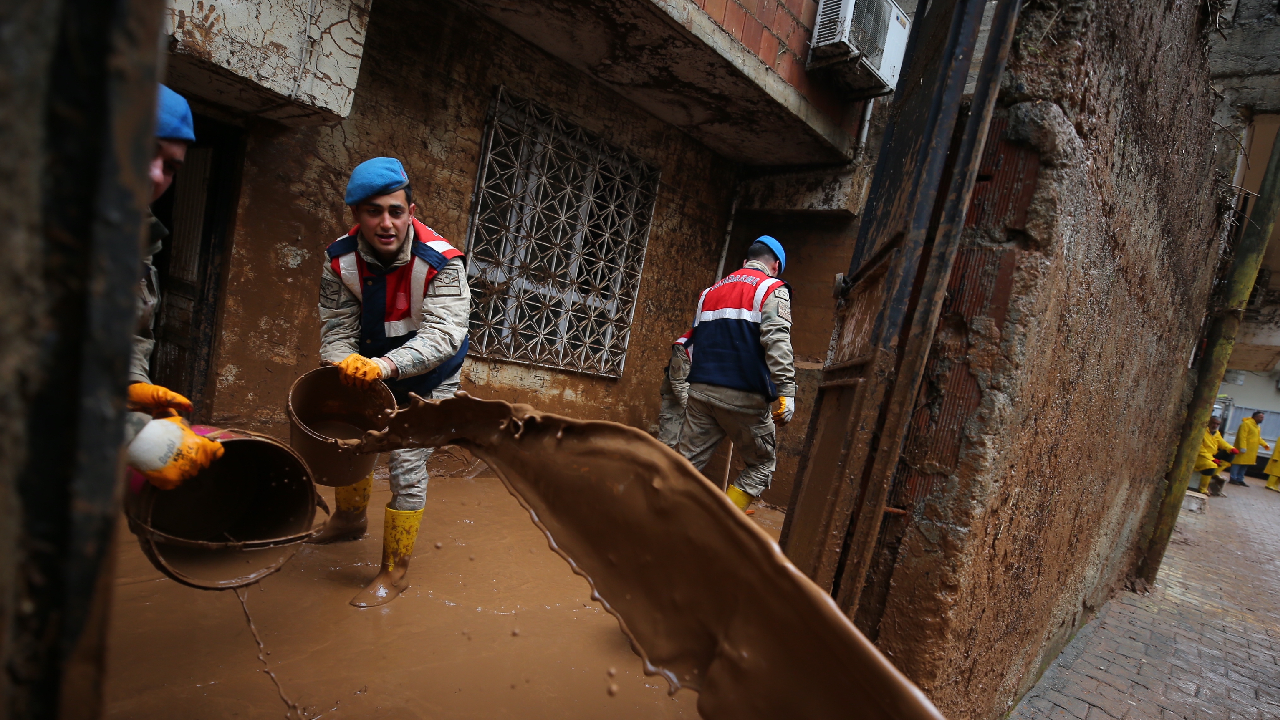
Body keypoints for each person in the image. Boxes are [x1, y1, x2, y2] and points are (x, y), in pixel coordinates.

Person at [312, 157, 471, 608]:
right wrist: (345, 363)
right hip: (370, 363)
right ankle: (348, 521)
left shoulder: (442, 262)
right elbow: (336, 330)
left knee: (405, 461)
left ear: (411, 210)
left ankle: (395, 570)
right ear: (356, 216)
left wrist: (383, 368)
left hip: (429, 374)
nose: (386, 223)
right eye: (373, 211)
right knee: (353, 438)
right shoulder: (339, 262)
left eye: (396, 211)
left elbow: (444, 336)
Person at [122, 85, 224, 490]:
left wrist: (130, 385)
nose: (155, 175)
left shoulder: (137, 238)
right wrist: (132, 432)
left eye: (171, 167)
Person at [677, 236, 796, 513]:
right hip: (743, 397)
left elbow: (695, 340)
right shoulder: (772, 288)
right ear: (775, 266)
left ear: (745, 262)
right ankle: (722, 526)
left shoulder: (709, 292)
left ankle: (657, 522)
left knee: (683, 465)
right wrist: (786, 392)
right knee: (762, 464)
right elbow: (777, 342)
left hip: (700, 393)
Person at [656, 330, 692, 448]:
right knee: (666, 446)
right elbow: (678, 383)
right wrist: (695, 412)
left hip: (702, 399)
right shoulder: (684, 344)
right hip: (676, 400)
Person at [1195, 416, 1239, 497]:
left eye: (1217, 424)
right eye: (1213, 423)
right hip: (1201, 457)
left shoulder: (1216, 433)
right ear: (1209, 422)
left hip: (1211, 455)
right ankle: (1202, 489)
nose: (1215, 425)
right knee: (1211, 465)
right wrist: (1212, 459)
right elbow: (1200, 449)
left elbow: (1222, 443)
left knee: (1230, 455)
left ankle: (1215, 473)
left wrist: (1231, 449)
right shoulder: (1202, 431)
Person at [1229, 411, 1269, 487]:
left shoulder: (1257, 427)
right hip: (1243, 449)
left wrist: (1264, 444)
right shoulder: (1246, 424)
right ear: (1255, 417)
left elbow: (1257, 438)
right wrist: (1242, 447)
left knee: (1245, 464)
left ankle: (1240, 479)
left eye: (1262, 417)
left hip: (1250, 450)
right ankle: (1233, 478)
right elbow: (1242, 436)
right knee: (1237, 463)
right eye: (1261, 417)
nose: (1262, 419)